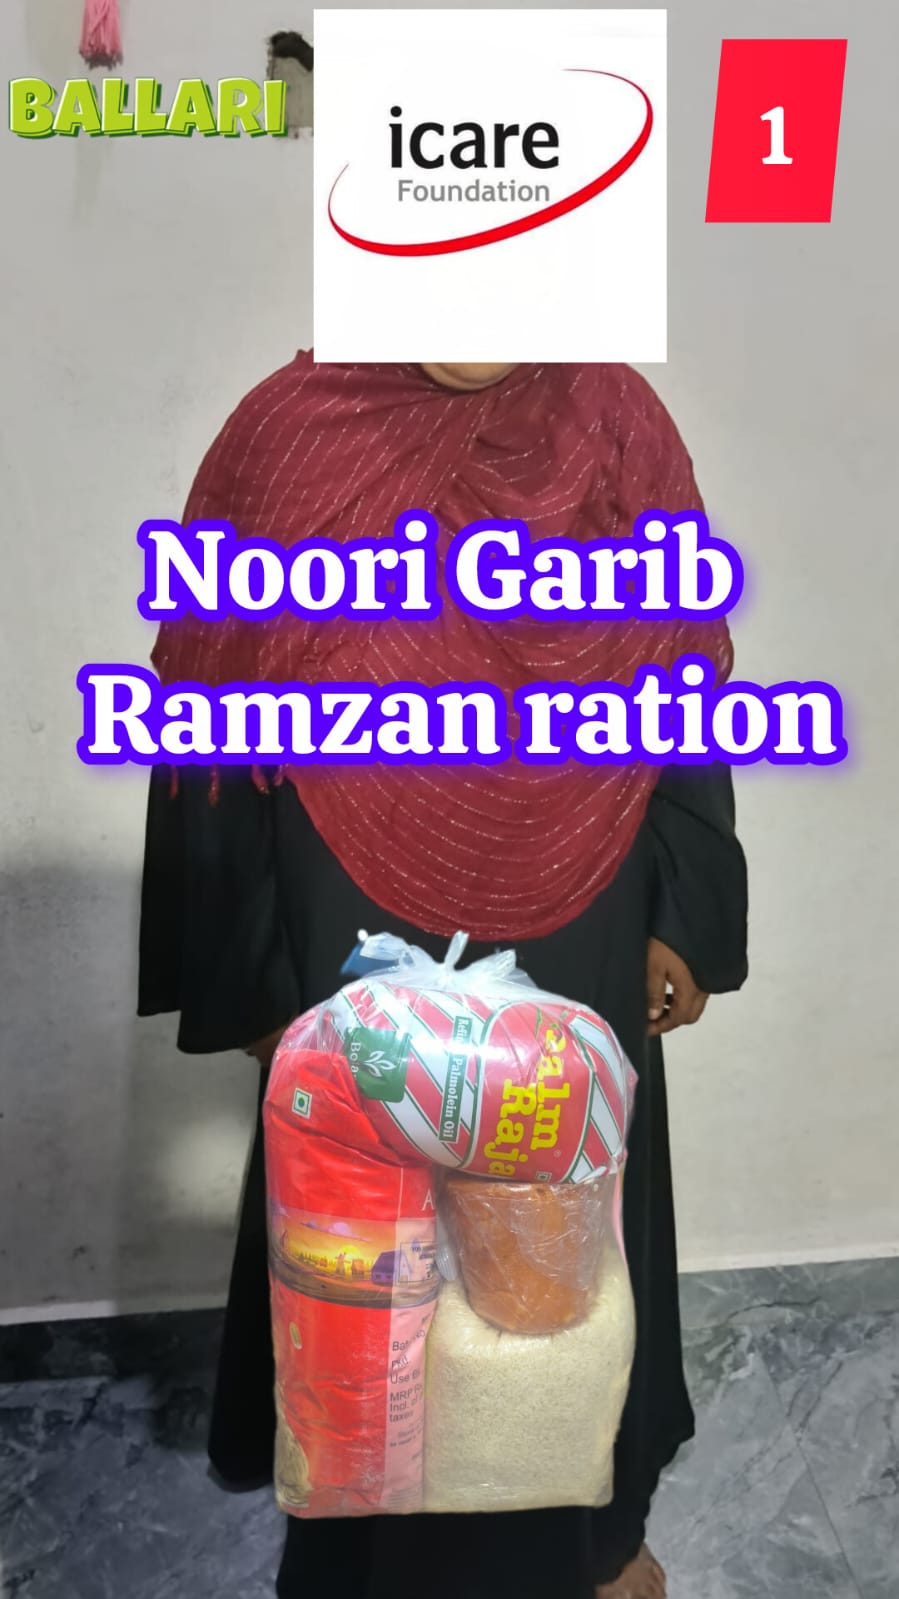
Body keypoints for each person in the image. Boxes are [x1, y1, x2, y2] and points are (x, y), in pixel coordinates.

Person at [138, 356, 748, 1599]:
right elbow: (208, 692)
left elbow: (676, 664)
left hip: (585, 874)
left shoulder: (609, 416)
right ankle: (358, 1541)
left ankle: (585, 1533)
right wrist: (248, 972)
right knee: (362, 1230)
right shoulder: (290, 428)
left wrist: (683, 904)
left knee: (566, 1213)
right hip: (338, 886)